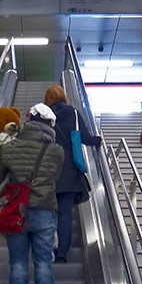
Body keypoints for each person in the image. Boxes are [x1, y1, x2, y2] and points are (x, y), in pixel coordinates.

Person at [0, 104, 65, 284]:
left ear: (29, 120)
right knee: (44, 267)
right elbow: (55, 178)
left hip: (16, 214)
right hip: (44, 213)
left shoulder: (8, 148)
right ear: (50, 126)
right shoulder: (56, 152)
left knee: (19, 267)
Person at [44, 84, 102, 263]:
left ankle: (46, 251)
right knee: (65, 214)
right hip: (69, 171)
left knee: (46, 213)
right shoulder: (74, 113)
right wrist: (96, 140)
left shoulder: (42, 116)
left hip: (47, 171)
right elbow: (84, 137)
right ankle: (62, 253)